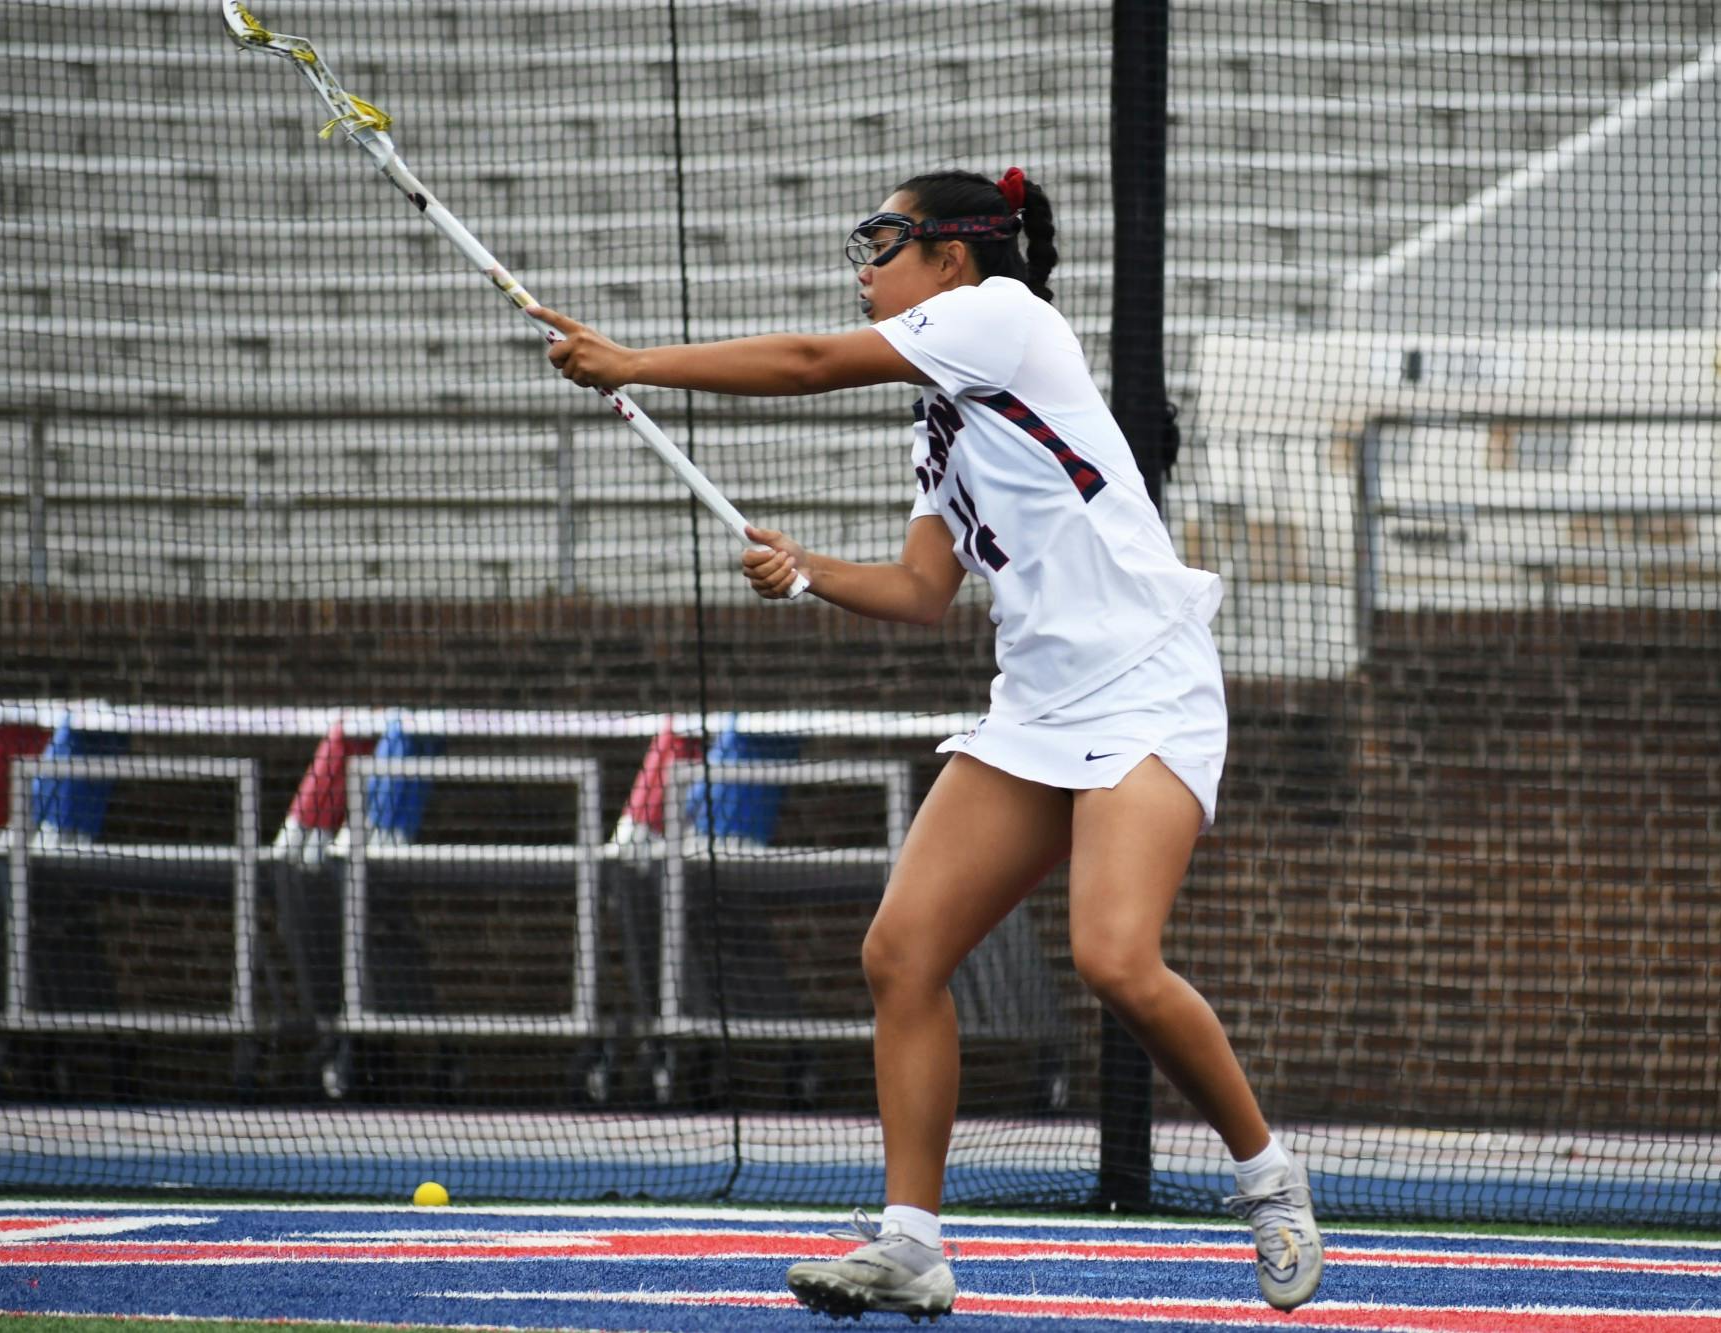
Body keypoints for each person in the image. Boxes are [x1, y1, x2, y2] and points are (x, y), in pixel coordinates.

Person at [533, 166, 1322, 1320]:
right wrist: (804, 569)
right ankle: (909, 1242)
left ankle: (1268, 1180)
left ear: (951, 255)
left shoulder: (1000, 316)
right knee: (899, 953)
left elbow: (805, 365)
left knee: (1111, 956)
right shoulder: (943, 422)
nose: (864, 270)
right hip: (1038, 708)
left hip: (1148, 687)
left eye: (882, 244)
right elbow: (917, 590)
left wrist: (633, 363)